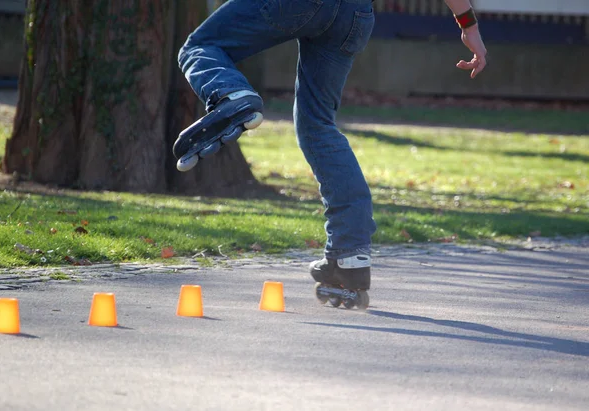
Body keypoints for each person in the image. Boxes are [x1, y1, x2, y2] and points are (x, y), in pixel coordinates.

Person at [174, 0, 487, 307]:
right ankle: (349, 253)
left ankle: (230, 94)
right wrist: (467, 24)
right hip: (354, 13)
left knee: (200, 46)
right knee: (317, 125)